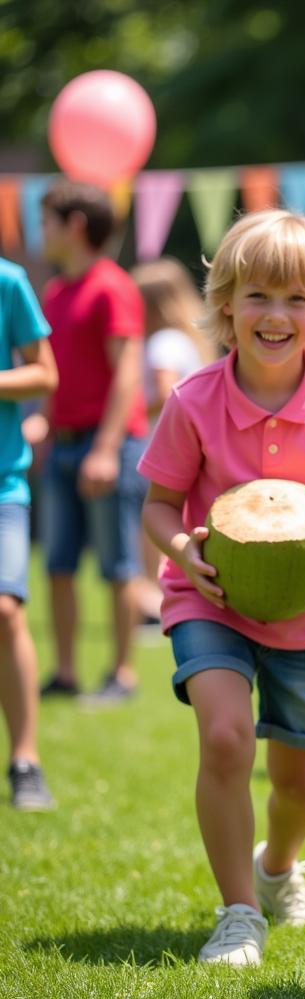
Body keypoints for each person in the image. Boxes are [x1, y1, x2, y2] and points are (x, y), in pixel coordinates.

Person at [138, 209, 305, 967]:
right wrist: (185, 550)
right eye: (258, 297)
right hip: (206, 599)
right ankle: (239, 910)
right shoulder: (193, 400)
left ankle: (279, 866)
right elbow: (156, 504)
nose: (276, 316)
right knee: (224, 738)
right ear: (226, 306)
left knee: (297, 777)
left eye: (296, 299)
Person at [38, 180, 149, 702]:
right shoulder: (54, 292)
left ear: (75, 225)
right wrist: (41, 424)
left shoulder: (112, 286)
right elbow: (48, 373)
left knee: (118, 564)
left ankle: (121, 675)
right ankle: (64, 673)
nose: (41, 233)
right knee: (57, 564)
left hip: (109, 448)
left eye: (46, 222)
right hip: (61, 446)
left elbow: (126, 372)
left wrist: (105, 449)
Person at [0, 257, 58, 809]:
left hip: (3, 483)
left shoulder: (8, 280)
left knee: (5, 610)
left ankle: (25, 759)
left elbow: (45, 373)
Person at [131, 257, 214, 626]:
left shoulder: (161, 343)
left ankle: (153, 602)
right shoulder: (186, 341)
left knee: (152, 531)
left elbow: (166, 393)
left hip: (158, 448)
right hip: (193, 450)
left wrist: (127, 408)